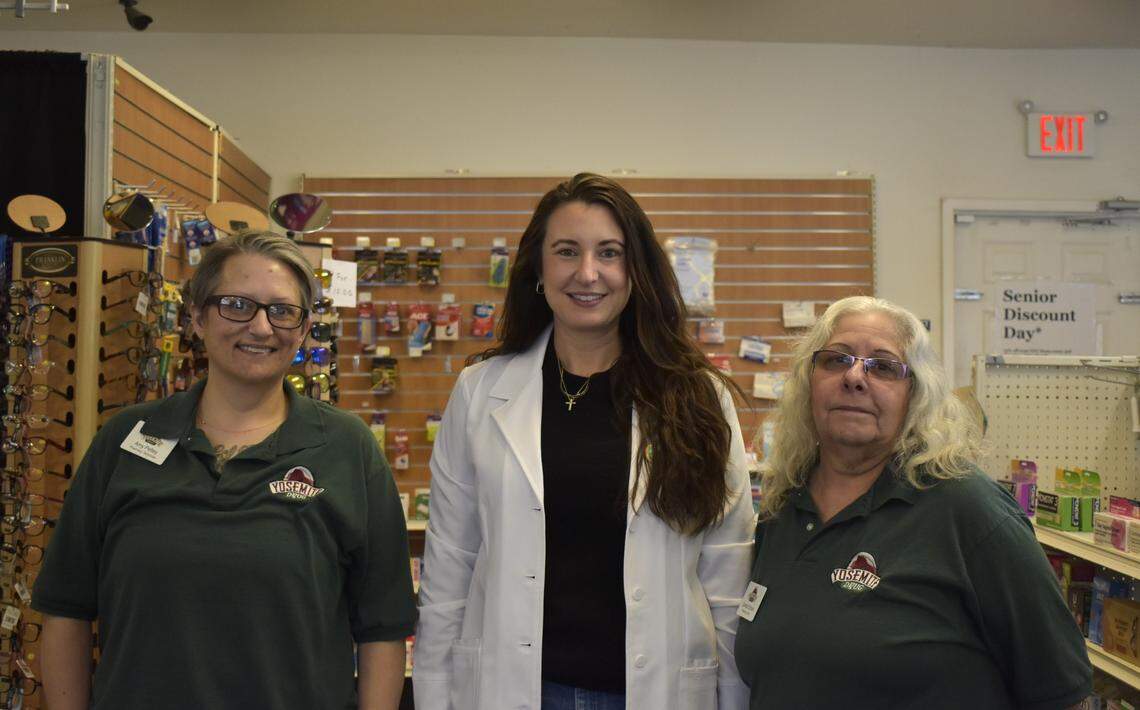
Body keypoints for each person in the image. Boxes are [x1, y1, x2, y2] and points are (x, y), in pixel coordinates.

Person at [33, 231, 416, 710]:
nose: (260, 328)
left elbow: (382, 629)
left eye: (281, 310)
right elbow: (65, 610)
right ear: (196, 315)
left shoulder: (347, 448)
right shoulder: (124, 440)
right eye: (237, 305)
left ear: (303, 329)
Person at [413, 173, 755, 710]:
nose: (587, 273)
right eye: (566, 251)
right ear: (539, 268)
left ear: (635, 270)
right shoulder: (481, 392)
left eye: (609, 253)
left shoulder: (698, 398)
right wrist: (433, 695)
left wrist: (736, 699)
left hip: (657, 689)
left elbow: (727, 573)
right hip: (516, 688)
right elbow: (450, 564)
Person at [735, 295, 1092, 709]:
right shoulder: (782, 509)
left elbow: (1064, 693)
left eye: (883, 366)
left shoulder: (969, 509)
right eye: (836, 359)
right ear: (808, 381)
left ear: (916, 395)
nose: (854, 377)